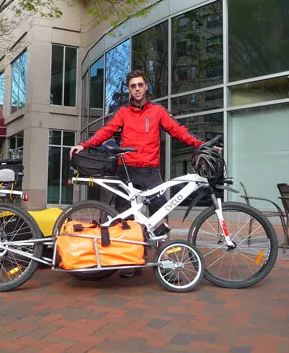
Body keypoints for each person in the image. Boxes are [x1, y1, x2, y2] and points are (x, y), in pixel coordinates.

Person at [69, 69, 204, 278]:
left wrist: (200, 145)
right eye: (133, 86)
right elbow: (106, 131)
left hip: (150, 171)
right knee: (126, 218)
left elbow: (178, 131)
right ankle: (130, 260)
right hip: (127, 170)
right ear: (129, 89)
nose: (137, 89)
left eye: (140, 85)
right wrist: (84, 145)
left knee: (160, 214)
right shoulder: (123, 113)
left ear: (146, 87)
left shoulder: (157, 111)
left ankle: (166, 262)